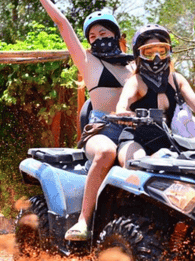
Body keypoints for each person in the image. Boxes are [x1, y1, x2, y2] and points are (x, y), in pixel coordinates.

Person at [39, 0, 135, 240]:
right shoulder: (88, 62)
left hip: (134, 132)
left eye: (103, 32)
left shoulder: (134, 65)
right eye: (93, 35)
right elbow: (62, 24)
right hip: (101, 131)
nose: (98, 37)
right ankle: (83, 220)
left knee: (143, 162)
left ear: (115, 34)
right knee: (105, 153)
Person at [116, 24, 195, 167]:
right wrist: (121, 112)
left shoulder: (176, 79)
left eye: (162, 51)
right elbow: (123, 102)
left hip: (172, 142)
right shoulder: (136, 81)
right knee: (137, 164)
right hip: (136, 140)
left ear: (169, 52)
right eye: (149, 52)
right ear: (138, 54)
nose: (156, 57)